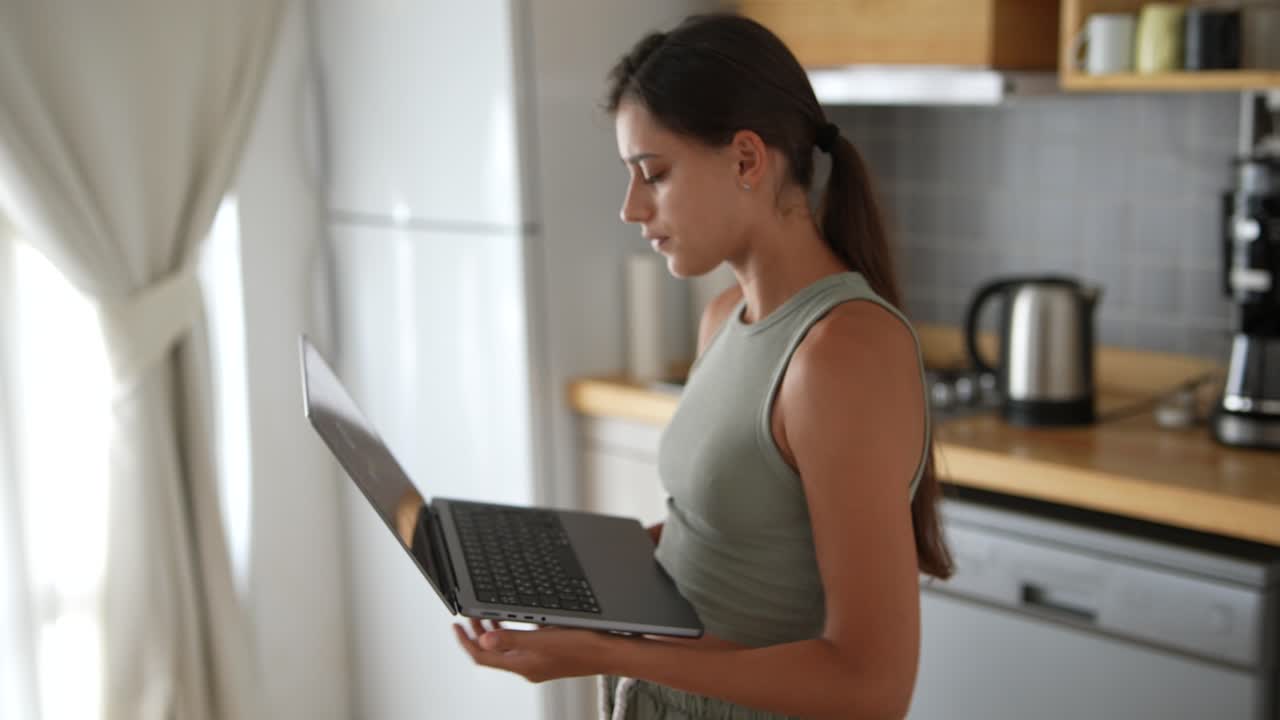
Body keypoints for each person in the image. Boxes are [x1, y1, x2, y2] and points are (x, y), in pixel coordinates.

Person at [454, 13, 952, 719]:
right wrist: (563, 574)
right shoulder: (724, 317)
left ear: (747, 160)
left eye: (652, 174)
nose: (631, 208)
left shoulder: (841, 354)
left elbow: (871, 689)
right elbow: (721, 532)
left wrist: (601, 650)